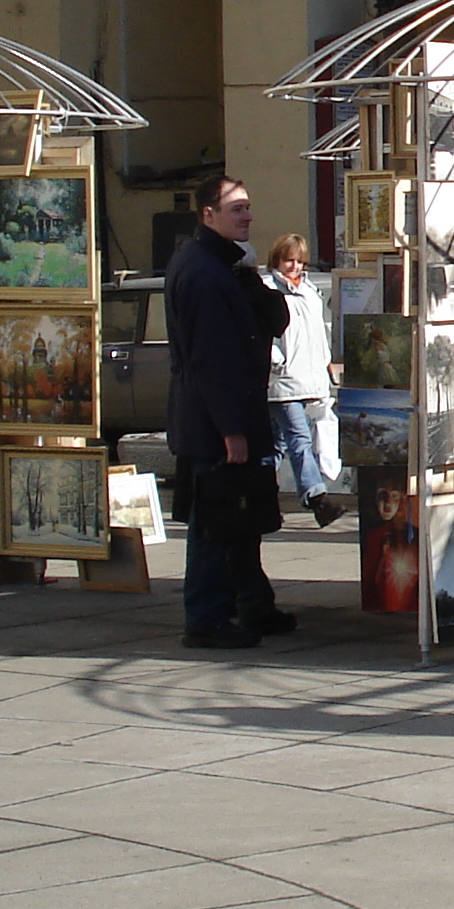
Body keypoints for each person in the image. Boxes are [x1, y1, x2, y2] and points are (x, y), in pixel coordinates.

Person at [166, 174, 293, 650]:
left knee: (240, 518)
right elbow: (210, 360)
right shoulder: (200, 270)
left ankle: (252, 604)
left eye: (247, 207)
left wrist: (251, 275)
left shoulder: (227, 266)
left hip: (234, 413)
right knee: (214, 522)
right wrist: (231, 430)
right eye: (236, 208)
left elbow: (276, 320)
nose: (247, 216)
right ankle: (205, 616)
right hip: (214, 421)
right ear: (208, 215)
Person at [261, 234, 346, 529]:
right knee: (300, 438)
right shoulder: (267, 289)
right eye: (289, 260)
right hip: (282, 382)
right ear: (277, 259)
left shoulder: (309, 291)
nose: (295, 266)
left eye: (300, 261)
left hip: (308, 380)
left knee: (275, 447)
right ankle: (317, 499)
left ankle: (263, 503)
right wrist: (276, 360)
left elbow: (319, 334)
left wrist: (326, 369)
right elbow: (262, 334)